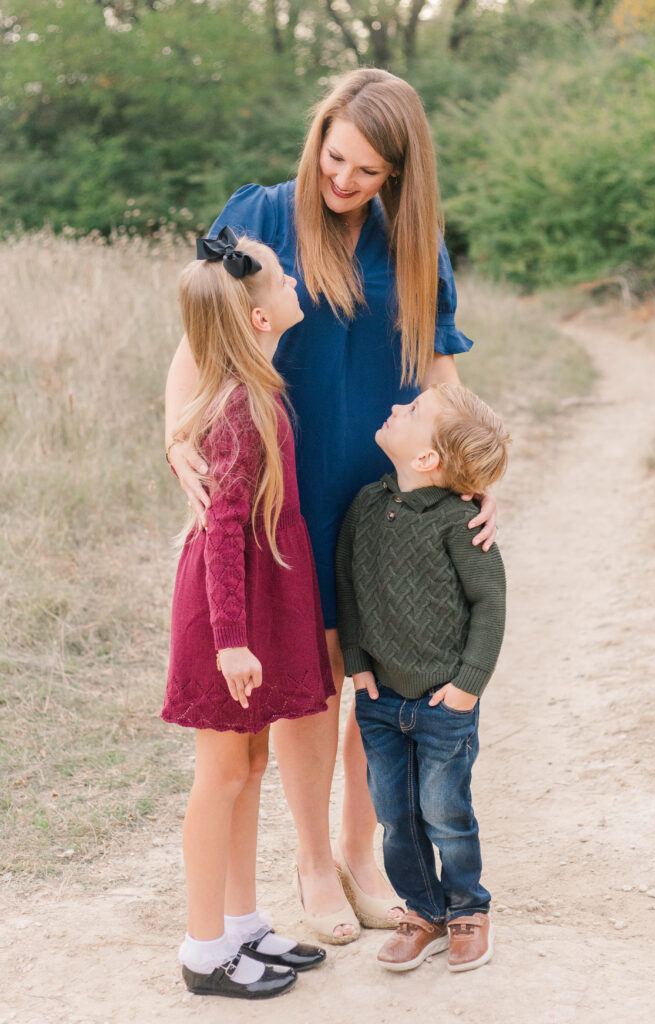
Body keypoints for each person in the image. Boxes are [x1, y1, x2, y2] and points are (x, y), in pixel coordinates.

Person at [165, 68, 499, 943]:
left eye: (367, 171)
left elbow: (440, 368)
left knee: (382, 670)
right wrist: (176, 441)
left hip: (392, 490)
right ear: (317, 135)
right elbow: (198, 344)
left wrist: (474, 468)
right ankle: (312, 859)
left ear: (399, 175)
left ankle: (361, 853)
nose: (343, 181)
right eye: (334, 156)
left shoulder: (416, 248)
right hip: (288, 487)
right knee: (309, 682)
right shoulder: (261, 215)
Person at [161, 228, 333, 998]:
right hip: (226, 615)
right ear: (259, 318)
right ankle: (204, 950)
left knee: (254, 763)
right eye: (281, 278)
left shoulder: (256, 390)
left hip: (259, 602)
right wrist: (231, 641)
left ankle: (241, 924)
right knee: (221, 774)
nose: (294, 282)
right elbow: (224, 528)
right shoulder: (238, 408)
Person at [335, 383, 509, 974]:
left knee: (446, 813)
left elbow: (490, 602)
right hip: (380, 700)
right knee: (394, 816)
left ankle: (467, 910)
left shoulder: (461, 521)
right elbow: (348, 590)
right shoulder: (364, 507)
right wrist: (355, 663)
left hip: (444, 701)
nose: (393, 405)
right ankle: (423, 910)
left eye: (409, 411)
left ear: (427, 459)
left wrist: (469, 684)